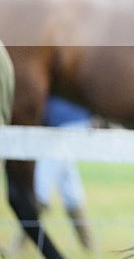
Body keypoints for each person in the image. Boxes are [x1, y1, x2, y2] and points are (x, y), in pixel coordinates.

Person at [33, 96, 95, 251]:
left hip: (68, 124)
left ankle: (21, 242)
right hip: (61, 124)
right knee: (69, 186)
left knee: (41, 183)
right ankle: (89, 245)